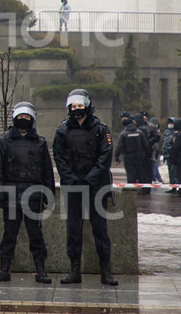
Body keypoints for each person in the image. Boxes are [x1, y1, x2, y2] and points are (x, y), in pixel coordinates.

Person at [52, 89, 118, 286]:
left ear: (88, 106)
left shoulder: (101, 129)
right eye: (74, 106)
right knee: (73, 230)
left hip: (96, 187)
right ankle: (74, 270)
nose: (77, 110)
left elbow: (105, 157)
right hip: (73, 187)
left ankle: (106, 271)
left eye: (80, 106)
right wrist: (72, 179)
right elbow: (59, 158)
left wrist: (89, 178)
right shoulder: (62, 131)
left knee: (100, 230)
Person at [0, 102, 54, 284]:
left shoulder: (40, 142)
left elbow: (47, 171)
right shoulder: (4, 141)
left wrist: (49, 194)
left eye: (26, 117)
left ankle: (41, 270)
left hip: (33, 195)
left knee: (36, 234)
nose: (23, 120)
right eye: (21, 116)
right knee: (9, 234)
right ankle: (4, 269)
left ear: (32, 119)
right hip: (11, 194)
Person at [115, 116, 151, 194]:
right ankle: (142, 190)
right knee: (141, 173)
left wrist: (116, 156)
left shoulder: (123, 134)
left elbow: (119, 146)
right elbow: (146, 145)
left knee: (130, 174)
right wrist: (147, 155)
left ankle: (131, 191)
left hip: (128, 156)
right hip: (139, 156)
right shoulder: (139, 132)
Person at [161, 117, 177, 192]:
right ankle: (172, 186)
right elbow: (164, 142)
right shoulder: (167, 131)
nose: (170, 124)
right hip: (167, 154)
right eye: (169, 123)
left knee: (174, 171)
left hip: (172, 154)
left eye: (171, 123)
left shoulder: (176, 132)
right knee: (170, 171)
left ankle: (175, 187)